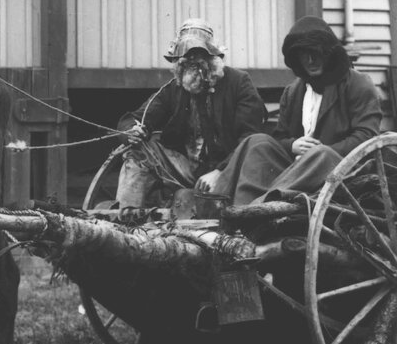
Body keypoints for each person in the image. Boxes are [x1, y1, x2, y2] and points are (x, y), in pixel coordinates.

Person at [198, 16, 382, 205]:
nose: (310, 60)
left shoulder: (358, 84)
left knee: (321, 155)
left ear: (328, 53)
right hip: (298, 172)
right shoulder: (294, 91)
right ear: (296, 58)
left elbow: (366, 137)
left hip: (341, 170)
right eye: (303, 54)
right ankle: (238, 206)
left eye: (316, 53)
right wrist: (292, 145)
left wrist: (318, 152)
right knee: (257, 141)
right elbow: (280, 138)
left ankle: (262, 204)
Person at [115, 19, 266, 208]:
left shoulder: (239, 82)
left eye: (199, 55)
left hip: (229, 170)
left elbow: (249, 139)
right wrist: (132, 131)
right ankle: (125, 222)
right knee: (139, 151)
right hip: (187, 171)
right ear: (178, 63)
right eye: (186, 58)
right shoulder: (173, 89)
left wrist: (221, 171)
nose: (192, 61)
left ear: (213, 58)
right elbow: (137, 118)